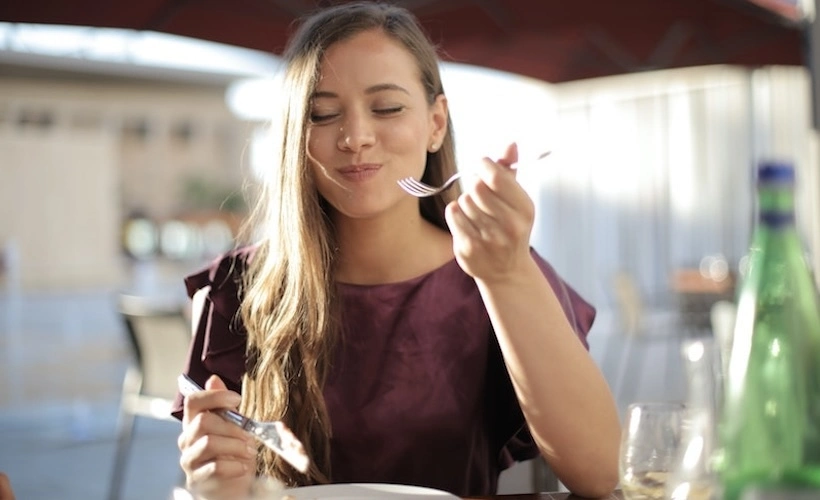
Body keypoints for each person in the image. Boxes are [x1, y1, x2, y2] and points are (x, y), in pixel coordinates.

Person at [172, 2, 621, 499]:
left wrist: (507, 275)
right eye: (322, 114)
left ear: (435, 123)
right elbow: (214, 479)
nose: (356, 137)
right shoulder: (236, 289)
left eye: (387, 108)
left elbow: (601, 474)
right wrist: (210, 479)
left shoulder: (498, 270)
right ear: (296, 137)